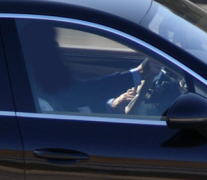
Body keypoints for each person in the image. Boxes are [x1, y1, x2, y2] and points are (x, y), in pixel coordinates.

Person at [19, 21, 161, 115]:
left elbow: (81, 96)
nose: (64, 63)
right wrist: (139, 73)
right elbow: (83, 92)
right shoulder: (41, 104)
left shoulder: (48, 88)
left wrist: (112, 105)